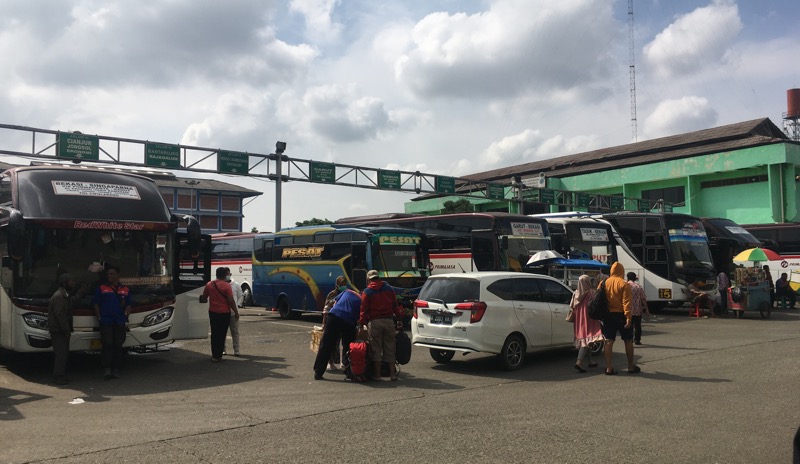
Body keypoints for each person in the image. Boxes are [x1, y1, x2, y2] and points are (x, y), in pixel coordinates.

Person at [359, 270, 405, 381]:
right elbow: (395, 305)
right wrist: (399, 319)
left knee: (376, 349)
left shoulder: (367, 291)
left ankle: (378, 376)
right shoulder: (389, 289)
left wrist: (361, 323)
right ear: (378, 277)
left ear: (369, 279)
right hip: (389, 321)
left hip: (375, 322)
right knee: (390, 348)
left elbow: (363, 310)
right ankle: (392, 375)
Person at [313, 284, 362, 380]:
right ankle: (349, 372)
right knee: (349, 346)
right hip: (348, 321)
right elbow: (360, 318)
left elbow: (335, 303)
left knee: (326, 344)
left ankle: (318, 372)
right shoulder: (361, 300)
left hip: (334, 316)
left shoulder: (347, 292)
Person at [92, 266, 131, 380]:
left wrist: (127, 312)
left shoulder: (125, 289)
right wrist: (99, 317)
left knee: (118, 345)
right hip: (106, 321)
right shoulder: (102, 288)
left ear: (118, 275)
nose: (110, 276)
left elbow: (129, 303)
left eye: (112, 274)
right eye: (108, 275)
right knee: (107, 344)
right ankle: (107, 369)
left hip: (119, 321)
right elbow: (95, 303)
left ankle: (116, 369)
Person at [600, 262, 639, 375]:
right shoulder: (624, 284)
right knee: (628, 340)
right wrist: (628, 317)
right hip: (621, 314)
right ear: (622, 271)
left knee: (609, 341)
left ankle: (609, 368)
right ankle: (631, 366)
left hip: (607, 315)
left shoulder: (603, 283)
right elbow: (626, 302)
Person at [48, 274, 83, 385]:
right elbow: (60, 315)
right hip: (58, 330)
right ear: (64, 283)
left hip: (61, 330)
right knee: (61, 354)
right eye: (71, 281)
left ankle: (61, 375)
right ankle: (58, 376)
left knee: (64, 353)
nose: (73, 283)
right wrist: (66, 329)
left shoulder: (64, 294)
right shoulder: (59, 296)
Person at [201, 267, 239, 362]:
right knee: (222, 334)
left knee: (214, 334)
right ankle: (219, 356)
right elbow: (231, 301)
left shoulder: (209, 284)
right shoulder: (226, 286)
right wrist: (236, 312)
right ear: (224, 275)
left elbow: (204, 297)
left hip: (213, 312)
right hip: (224, 313)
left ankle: (214, 355)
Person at [571, 274, 604, 373]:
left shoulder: (575, 293)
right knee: (587, 339)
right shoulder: (591, 293)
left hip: (579, 319)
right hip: (589, 318)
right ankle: (579, 362)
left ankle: (590, 360)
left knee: (586, 339)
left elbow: (572, 307)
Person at [322, 276, 347, 371]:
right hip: (333, 321)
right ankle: (330, 362)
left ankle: (343, 362)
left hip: (344, 320)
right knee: (333, 343)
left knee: (344, 343)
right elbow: (326, 309)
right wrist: (324, 323)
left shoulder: (347, 293)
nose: (344, 286)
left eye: (345, 284)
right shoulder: (332, 294)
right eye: (342, 285)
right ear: (337, 285)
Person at [627, 272, 650, 345]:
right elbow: (643, 299)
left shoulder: (625, 285)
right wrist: (646, 309)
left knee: (629, 325)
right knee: (637, 326)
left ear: (627, 277)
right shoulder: (638, 286)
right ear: (635, 278)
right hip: (637, 310)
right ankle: (637, 340)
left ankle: (629, 339)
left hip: (628, 310)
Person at [226, 268, 243, 356]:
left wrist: (238, 305)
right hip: (223, 312)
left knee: (235, 332)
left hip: (233, 312)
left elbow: (241, 296)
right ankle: (223, 349)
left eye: (228, 274)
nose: (227, 275)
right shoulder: (220, 285)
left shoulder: (236, 285)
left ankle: (236, 350)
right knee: (223, 332)